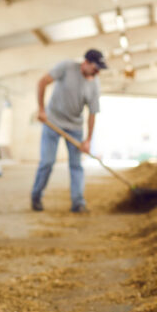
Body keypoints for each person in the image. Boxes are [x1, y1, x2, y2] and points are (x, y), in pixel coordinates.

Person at [30, 49, 106, 213]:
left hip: (75, 127)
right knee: (47, 162)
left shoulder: (95, 84)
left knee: (76, 165)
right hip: (52, 122)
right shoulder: (66, 67)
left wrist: (88, 140)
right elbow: (42, 82)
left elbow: (93, 113)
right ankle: (36, 196)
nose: (97, 72)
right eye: (95, 67)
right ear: (85, 63)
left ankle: (78, 203)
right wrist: (41, 110)